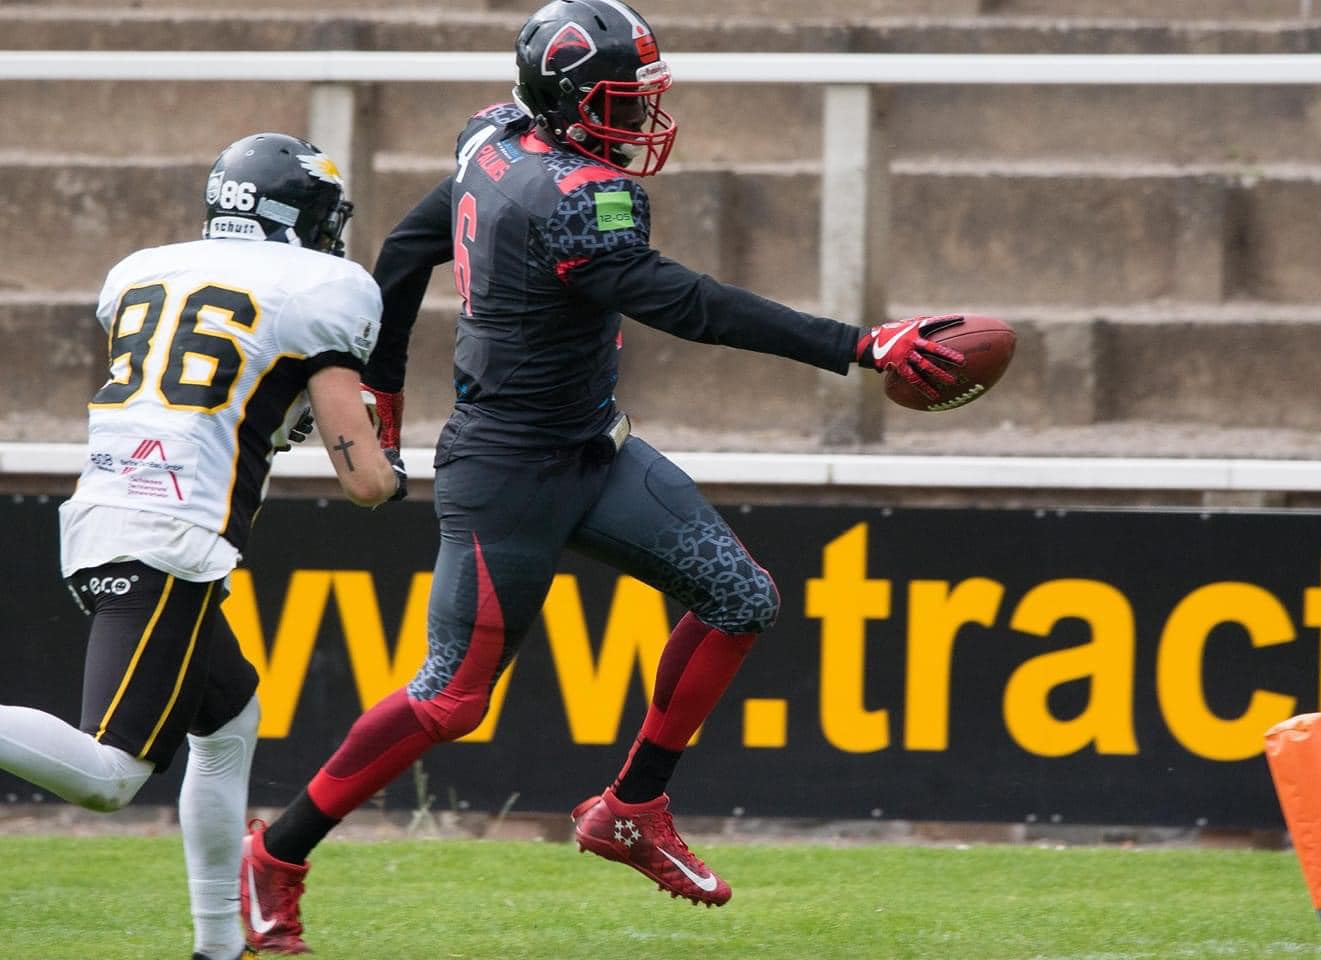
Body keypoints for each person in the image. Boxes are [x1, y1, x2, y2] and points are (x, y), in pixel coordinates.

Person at [240, 0, 964, 952]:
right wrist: (858, 346)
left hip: (593, 450)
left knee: (740, 598)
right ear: (567, 100)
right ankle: (275, 857)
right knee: (452, 699)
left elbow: (410, 247)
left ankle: (632, 807)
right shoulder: (578, 194)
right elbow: (688, 305)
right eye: (621, 104)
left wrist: (383, 380)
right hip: (505, 473)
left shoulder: (492, 137)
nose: (638, 124)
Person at [0, 132, 406, 960]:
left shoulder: (145, 271)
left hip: (115, 513)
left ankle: (219, 946)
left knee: (229, 722)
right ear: (301, 219)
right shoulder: (323, 286)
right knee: (113, 775)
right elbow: (363, 482)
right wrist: (394, 471)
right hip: (167, 535)